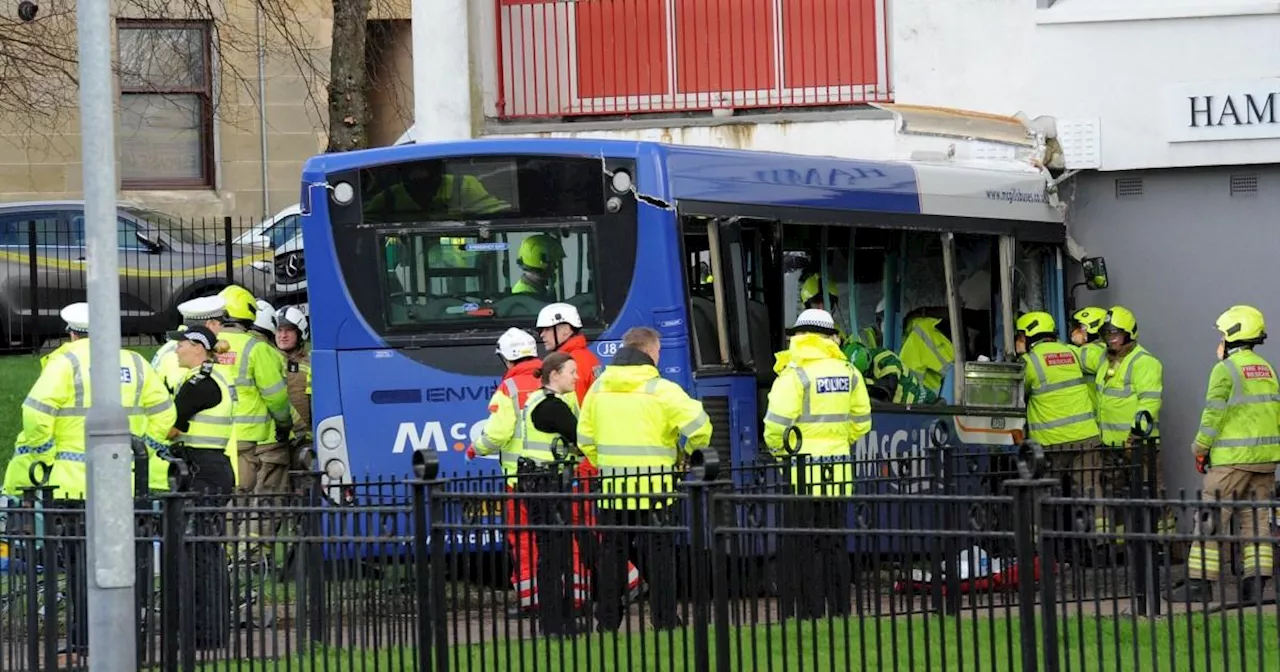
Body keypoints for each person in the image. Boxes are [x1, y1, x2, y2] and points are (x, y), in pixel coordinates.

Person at [14, 302, 176, 664]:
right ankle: (132, 640)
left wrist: (44, 452)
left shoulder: (65, 362)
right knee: (129, 563)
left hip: (75, 485)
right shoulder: (134, 363)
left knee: (81, 566)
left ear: (72, 332)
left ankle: (86, 640)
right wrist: (144, 450)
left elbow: (35, 412)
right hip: (129, 482)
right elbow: (165, 413)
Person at [578, 326, 712, 632]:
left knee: (612, 558)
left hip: (613, 489)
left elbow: (584, 439)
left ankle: (608, 623)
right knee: (661, 558)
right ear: (651, 352)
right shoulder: (662, 390)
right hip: (656, 489)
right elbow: (701, 427)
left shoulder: (598, 390)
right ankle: (665, 621)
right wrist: (688, 452)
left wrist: (606, 465)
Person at [763, 309, 871, 620]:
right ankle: (839, 610)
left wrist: (783, 456)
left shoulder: (795, 375)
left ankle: (810, 612)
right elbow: (861, 422)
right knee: (835, 543)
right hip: (837, 472)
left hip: (801, 474)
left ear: (799, 335)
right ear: (829, 336)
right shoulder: (849, 371)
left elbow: (774, 427)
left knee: (804, 546)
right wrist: (838, 442)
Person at [535, 302, 645, 601]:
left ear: (565, 329)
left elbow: (581, 417)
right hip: (592, 458)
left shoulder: (573, 363)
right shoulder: (586, 358)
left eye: (546, 329)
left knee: (585, 529)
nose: (542, 336)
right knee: (592, 529)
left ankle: (620, 583)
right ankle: (620, 582)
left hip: (583, 461)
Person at [1173, 305, 1280, 604]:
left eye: (1222, 334)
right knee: (1256, 521)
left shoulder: (1225, 369)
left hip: (1232, 459)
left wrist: (1200, 449)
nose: (1219, 341)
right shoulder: (1266, 368)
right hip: (1264, 461)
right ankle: (1255, 587)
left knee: (1210, 517)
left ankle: (1199, 584)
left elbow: (1213, 416)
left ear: (1234, 335)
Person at [164, 325, 238, 649]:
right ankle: (204, 630)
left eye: (180, 343)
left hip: (203, 473)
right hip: (206, 471)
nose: (175, 349)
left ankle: (208, 633)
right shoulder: (207, 379)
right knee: (202, 550)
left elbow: (170, 428)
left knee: (202, 552)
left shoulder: (200, 384)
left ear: (198, 347)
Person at [469, 328, 544, 617]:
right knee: (557, 536)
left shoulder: (510, 388)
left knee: (524, 539)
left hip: (519, 480)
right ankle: (567, 596)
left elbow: (497, 434)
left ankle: (531, 600)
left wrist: (476, 448)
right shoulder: (553, 378)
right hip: (555, 477)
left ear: (507, 359)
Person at [216, 285, 292, 560]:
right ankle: (250, 555)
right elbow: (277, 399)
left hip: (215, 435)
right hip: (251, 436)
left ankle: (225, 553)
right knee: (250, 497)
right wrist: (284, 425)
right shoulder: (257, 349)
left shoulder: (204, 343)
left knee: (226, 498)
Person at [518, 351, 590, 637]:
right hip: (547, 484)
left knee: (552, 554)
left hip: (538, 482)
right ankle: (556, 624)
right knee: (553, 555)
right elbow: (581, 440)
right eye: (571, 371)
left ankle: (559, 621)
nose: (576, 376)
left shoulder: (537, 401)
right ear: (554, 375)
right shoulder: (553, 407)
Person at [1016, 311, 1107, 536]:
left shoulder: (1029, 362)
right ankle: (1101, 543)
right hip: (1086, 437)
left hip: (1051, 443)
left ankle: (1044, 547)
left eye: (1019, 336)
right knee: (1089, 491)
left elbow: (1018, 394)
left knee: (1045, 495)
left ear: (1028, 336)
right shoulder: (1071, 352)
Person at [1095, 306, 1171, 533]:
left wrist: (1134, 435)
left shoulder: (1144, 361)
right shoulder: (1106, 361)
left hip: (1138, 444)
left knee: (1152, 494)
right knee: (1115, 498)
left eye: (1116, 333)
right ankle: (1121, 550)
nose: (1111, 339)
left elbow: (1149, 404)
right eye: (1107, 334)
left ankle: (1164, 546)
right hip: (1111, 445)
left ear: (1129, 334)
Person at [152, 296, 231, 393]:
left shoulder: (172, 347)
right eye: (221, 324)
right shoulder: (187, 351)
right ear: (210, 324)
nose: (222, 329)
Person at [274, 306, 313, 469]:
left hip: (303, 440)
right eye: (279, 330)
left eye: (289, 331)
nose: (283, 335)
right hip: (276, 438)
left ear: (300, 333)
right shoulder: (267, 359)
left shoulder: (310, 363)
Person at [900, 312, 955, 398]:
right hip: (932, 400)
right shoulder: (922, 329)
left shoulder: (921, 334)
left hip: (927, 404)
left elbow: (905, 384)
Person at [1069, 306, 1108, 410]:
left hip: (1099, 414)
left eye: (1078, 327)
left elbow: (1082, 357)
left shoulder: (1098, 350)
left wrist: (1054, 346)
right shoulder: (1098, 348)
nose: (1073, 331)